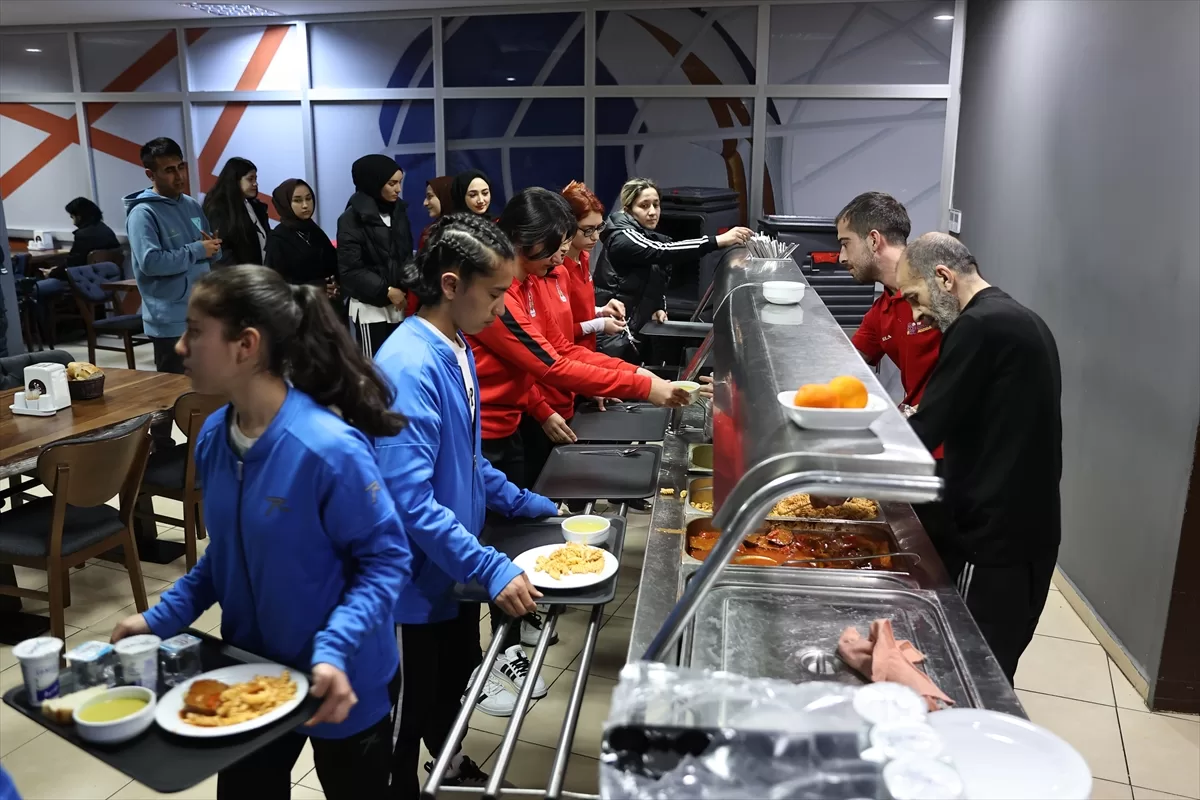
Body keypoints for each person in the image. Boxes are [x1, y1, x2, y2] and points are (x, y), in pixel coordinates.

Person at [110, 265, 413, 799]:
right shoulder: (212, 440)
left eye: (196, 331)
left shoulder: (327, 449)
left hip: (341, 679)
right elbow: (225, 558)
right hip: (253, 673)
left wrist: (334, 649)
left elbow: (386, 561)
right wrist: (158, 620)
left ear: (246, 345)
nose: (180, 346)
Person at [376, 214, 560, 796]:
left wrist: (532, 504)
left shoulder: (456, 345)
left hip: (449, 569)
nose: (502, 309)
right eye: (496, 294)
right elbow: (409, 498)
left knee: (452, 682)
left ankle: (447, 761)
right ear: (451, 285)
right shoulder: (409, 365)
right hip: (411, 582)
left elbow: (466, 458)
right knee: (404, 712)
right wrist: (486, 566)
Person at [468, 188, 688, 662]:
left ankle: (515, 637)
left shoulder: (530, 279)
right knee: (489, 549)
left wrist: (636, 377)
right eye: (558, 248)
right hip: (489, 433)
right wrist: (644, 387)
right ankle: (503, 652)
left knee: (514, 531)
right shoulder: (500, 294)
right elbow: (547, 362)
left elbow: (552, 353)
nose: (563, 258)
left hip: (509, 425)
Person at [898, 232, 1062, 684]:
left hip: (992, 542)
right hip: (1031, 534)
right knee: (995, 669)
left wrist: (846, 470)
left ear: (943, 278)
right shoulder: (1021, 319)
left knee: (967, 671)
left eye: (914, 297)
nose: (916, 315)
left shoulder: (976, 327)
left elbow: (925, 431)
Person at [593, 177, 752, 337]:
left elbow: (652, 274)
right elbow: (662, 251)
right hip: (611, 330)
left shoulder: (646, 235)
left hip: (630, 328)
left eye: (656, 204)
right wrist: (717, 240)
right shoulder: (623, 236)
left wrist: (657, 307)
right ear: (628, 210)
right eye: (644, 206)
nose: (653, 212)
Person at [124, 136, 221, 375]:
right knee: (174, 392)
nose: (179, 176)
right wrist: (198, 250)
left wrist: (213, 249)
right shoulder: (142, 213)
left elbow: (205, 247)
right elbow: (151, 262)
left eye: (181, 167)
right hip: (169, 322)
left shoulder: (191, 204)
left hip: (201, 312)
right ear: (150, 174)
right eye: (169, 170)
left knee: (206, 387)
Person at [337, 154, 413, 356]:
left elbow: (405, 256)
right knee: (376, 370)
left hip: (399, 304)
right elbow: (350, 270)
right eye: (392, 183)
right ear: (374, 183)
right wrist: (387, 290)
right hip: (371, 308)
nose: (398, 189)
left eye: (399, 183)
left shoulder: (399, 212)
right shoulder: (351, 219)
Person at [560, 181, 628, 356]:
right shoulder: (557, 268)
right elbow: (559, 331)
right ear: (567, 226)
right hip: (567, 356)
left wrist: (600, 310)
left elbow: (578, 311)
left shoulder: (583, 256)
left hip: (586, 352)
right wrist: (599, 324)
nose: (596, 237)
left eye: (599, 228)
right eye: (588, 230)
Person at [264, 179, 341, 317]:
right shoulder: (278, 238)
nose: (305, 205)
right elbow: (275, 284)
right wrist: (316, 287)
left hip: (328, 312)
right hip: (299, 316)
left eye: (308, 198)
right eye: (298, 200)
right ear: (286, 203)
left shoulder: (314, 230)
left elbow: (332, 264)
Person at [203, 157, 270, 268]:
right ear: (235, 180)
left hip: (260, 274)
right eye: (250, 179)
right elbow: (221, 250)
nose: (255, 184)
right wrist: (241, 277)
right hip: (238, 279)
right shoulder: (218, 209)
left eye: (255, 179)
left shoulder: (255, 206)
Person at [63, 197, 120, 270]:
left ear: (79, 217)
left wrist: (50, 273)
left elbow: (72, 264)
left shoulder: (82, 236)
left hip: (87, 278)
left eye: (72, 217)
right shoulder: (106, 229)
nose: (73, 223)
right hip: (112, 276)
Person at [418, 176, 455, 250]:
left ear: (445, 196)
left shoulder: (466, 233)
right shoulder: (429, 233)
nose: (425, 203)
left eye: (430, 196)